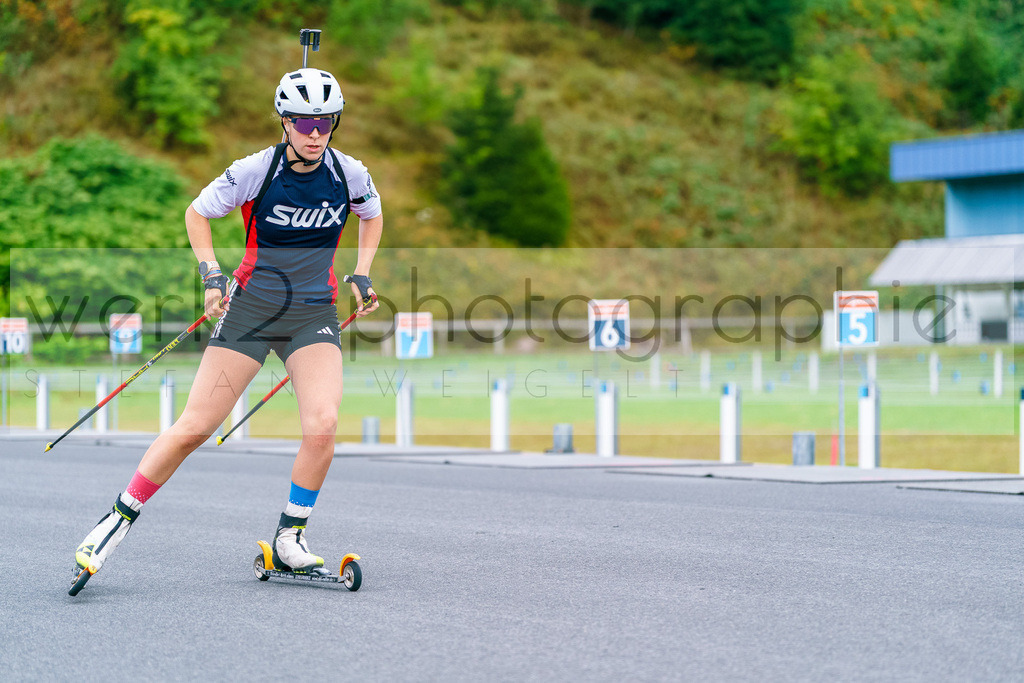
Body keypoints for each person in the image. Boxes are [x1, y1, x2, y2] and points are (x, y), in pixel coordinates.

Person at [72, 67, 382, 588]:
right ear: (284, 121)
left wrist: (363, 271)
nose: (315, 132)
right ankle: (116, 519)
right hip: (251, 313)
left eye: (325, 121)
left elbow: (371, 215)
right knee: (196, 426)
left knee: (323, 425)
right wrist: (210, 274)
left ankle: (290, 537)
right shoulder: (254, 171)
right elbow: (197, 213)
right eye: (304, 121)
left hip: (311, 314)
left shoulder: (349, 173)